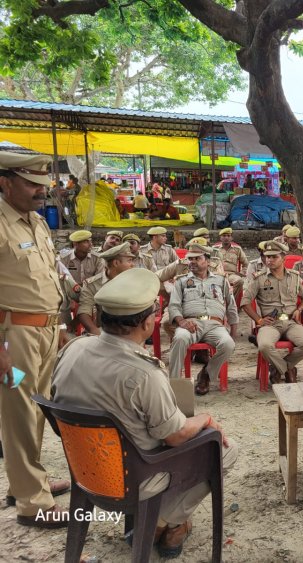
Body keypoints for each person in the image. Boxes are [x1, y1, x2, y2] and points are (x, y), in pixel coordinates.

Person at [51, 268, 237, 557]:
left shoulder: (73, 349)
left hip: (86, 470)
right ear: (147, 322)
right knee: (223, 447)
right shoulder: (143, 373)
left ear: (102, 317)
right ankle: (164, 521)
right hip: (136, 477)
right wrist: (206, 419)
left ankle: (164, 521)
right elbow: (175, 437)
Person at [1, 152, 72, 529]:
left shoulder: (34, 221)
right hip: (15, 338)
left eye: (43, 184)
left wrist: (58, 326)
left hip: (43, 332)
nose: (40, 192)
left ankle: (28, 483)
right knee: (19, 416)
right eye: (31, 184)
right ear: (5, 182)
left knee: (38, 409)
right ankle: (31, 504)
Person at [168, 244, 238, 395]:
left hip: (215, 325)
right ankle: (174, 384)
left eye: (197, 259)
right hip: (191, 324)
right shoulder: (181, 281)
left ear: (207, 260)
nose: (192, 262)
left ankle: (206, 374)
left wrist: (233, 331)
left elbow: (231, 306)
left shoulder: (220, 280)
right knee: (180, 338)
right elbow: (173, 306)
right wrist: (182, 322)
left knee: (228, 344)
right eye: (190, 259)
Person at [241, 241, 303, 384]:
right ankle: (287, 370)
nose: (269, 260)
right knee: (264, 346)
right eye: (267, 257)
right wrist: (259, 320)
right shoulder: (259, 278)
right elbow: (245, 302)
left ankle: (278, 367)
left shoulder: (294, 276)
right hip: (270, 324)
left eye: (274, 257)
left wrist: (299, 309)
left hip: (291, 322)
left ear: (283, 258)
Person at [77, 243, 136, 335]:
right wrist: (94, 330)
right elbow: (84, 310)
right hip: (105, 331)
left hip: (132, 331)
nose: (133, 265)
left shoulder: (135, 281)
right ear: (116, 263)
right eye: (129, 261)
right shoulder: (93, 284)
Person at [213, 227, 249, 300]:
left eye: (228, 236)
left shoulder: (237, 249)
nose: (226, 238)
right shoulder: (214, 249)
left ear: (231, 238)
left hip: (231, 275)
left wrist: (241, 273)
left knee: (240, 281)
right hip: (217, 274)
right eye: (224, 236)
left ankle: (231, 301)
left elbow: (246, 264)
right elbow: (209, 263)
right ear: (220, 238)